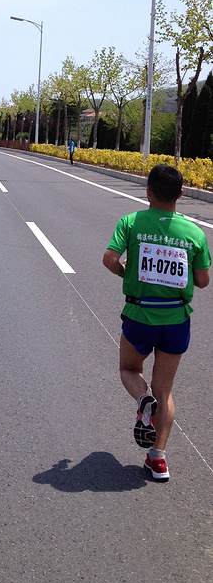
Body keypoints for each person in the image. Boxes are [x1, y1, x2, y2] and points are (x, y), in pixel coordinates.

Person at [103, 164, 210, 482]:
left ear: (148, 191)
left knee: (129, 370)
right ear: (180, 194)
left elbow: (110, 259)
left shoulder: (131, 222)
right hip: (176, 320)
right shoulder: (195, 233)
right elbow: (203, 281)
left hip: (139, 315)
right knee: (165, 391)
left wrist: (127, 272)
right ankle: (158, 460)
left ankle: (141, 399)